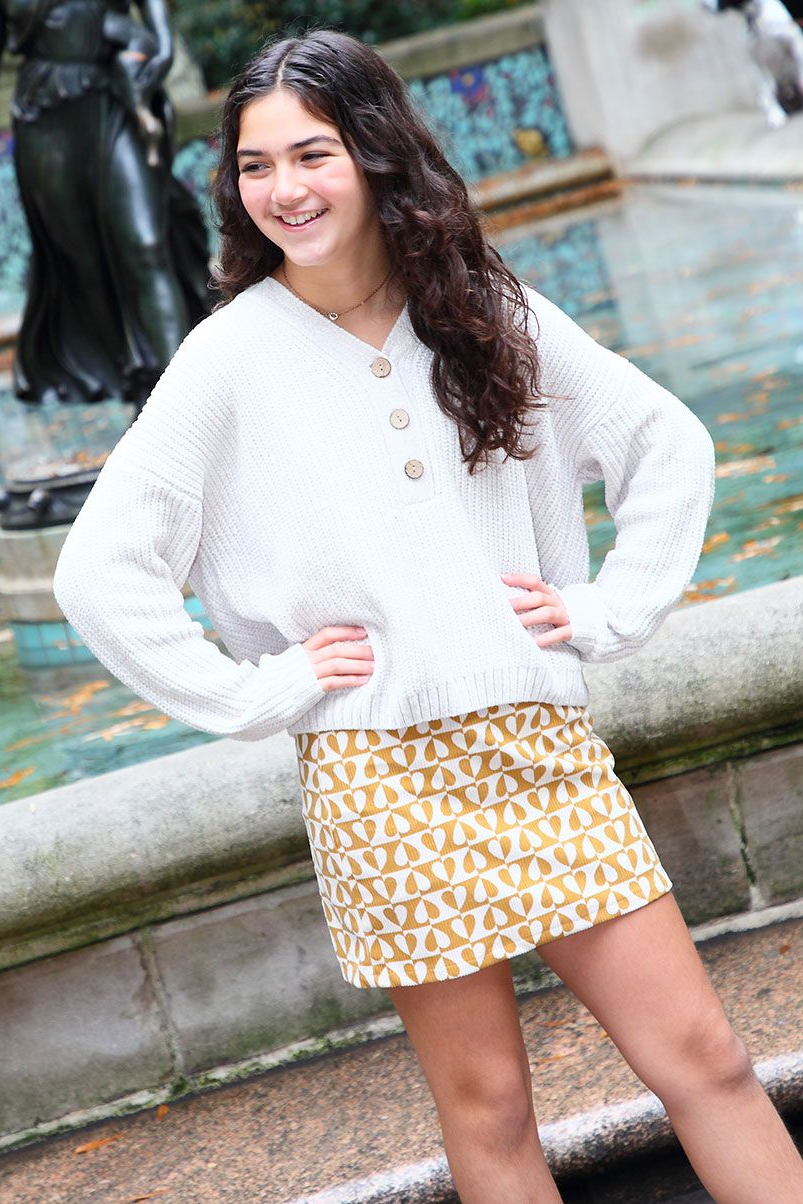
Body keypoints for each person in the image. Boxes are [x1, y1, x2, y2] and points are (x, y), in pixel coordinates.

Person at [52, 27, 803, 1204]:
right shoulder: (226, 360)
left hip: (538, 746)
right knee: (490, 1110)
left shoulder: (480, 304)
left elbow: (666, 442)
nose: (284, 190)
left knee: (703, 1057)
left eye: (312, 153)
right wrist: (260, 691)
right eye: (256, 166)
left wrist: (607, 608)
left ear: (375, 151)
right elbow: (99, 571)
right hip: (379, 778)